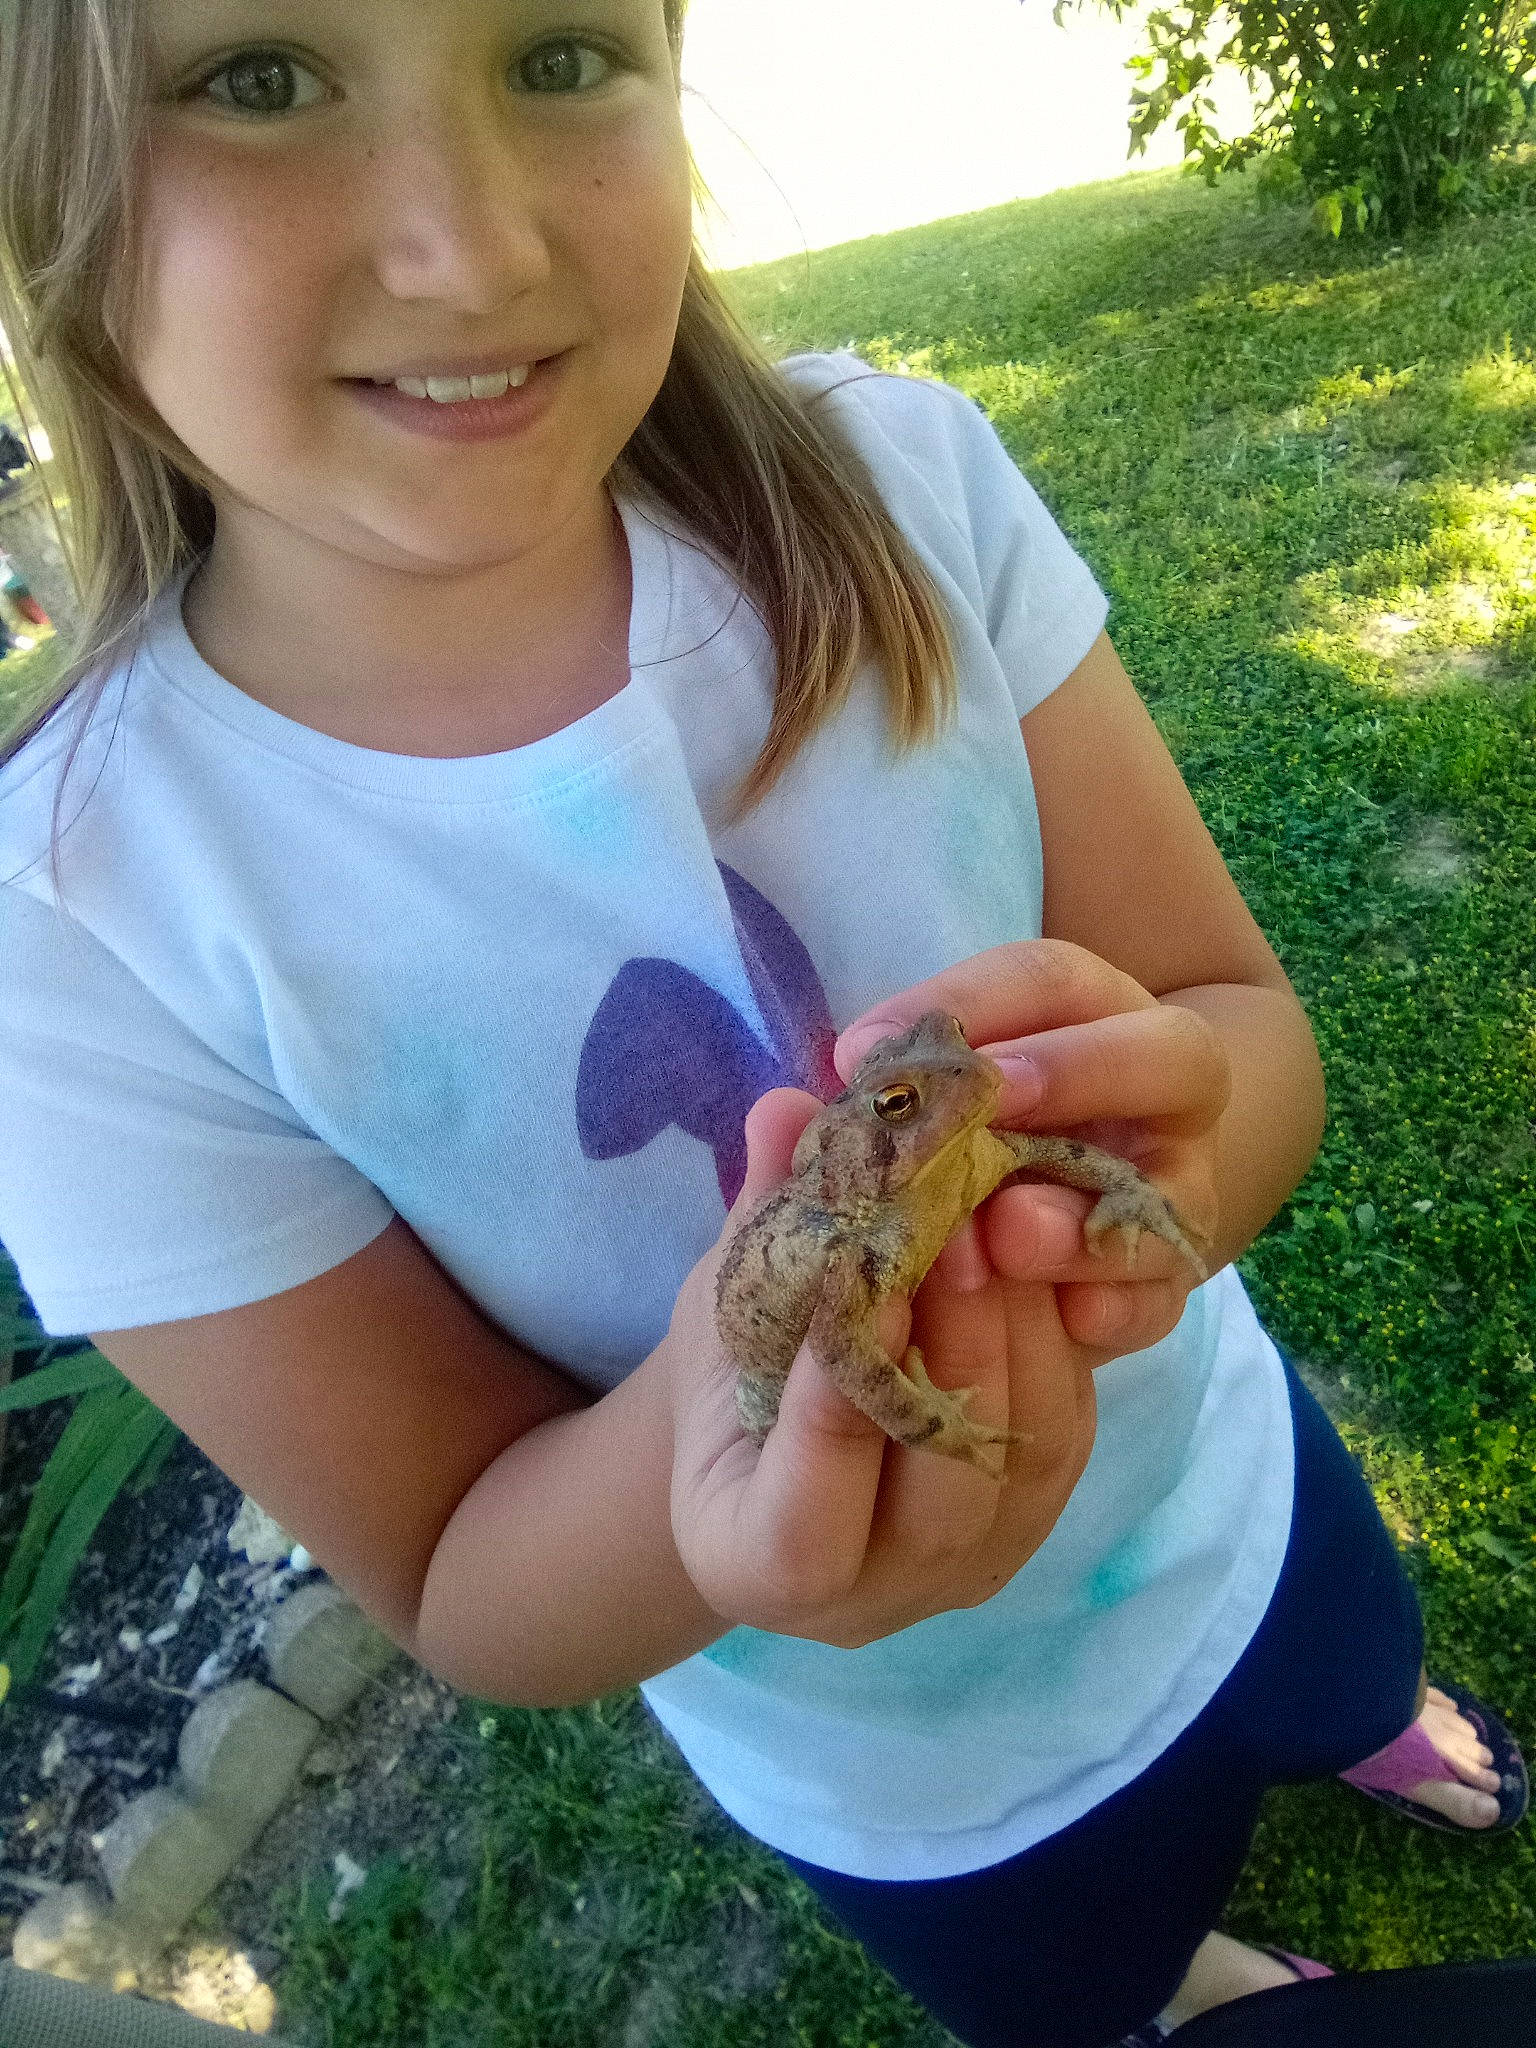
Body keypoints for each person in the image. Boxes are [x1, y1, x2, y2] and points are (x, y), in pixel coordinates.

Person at [0, 6, 1523, 2046]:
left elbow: (1239, 1030)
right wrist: (749, 1468)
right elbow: (463, 1569)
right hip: (911, 1770)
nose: (474, 247)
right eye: (257, 76)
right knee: (1086, 1973)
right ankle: (1184, 1982)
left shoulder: (900, 479)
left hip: (1230, 1475)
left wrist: (1178, 1137)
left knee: (1347, 1655)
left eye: (556, 51)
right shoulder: (76, 922)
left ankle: (1366, 1717)